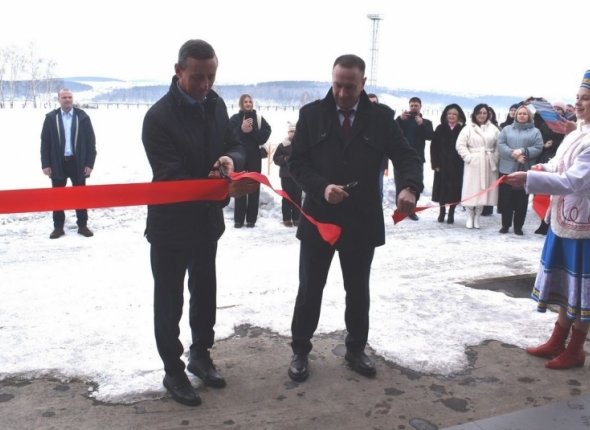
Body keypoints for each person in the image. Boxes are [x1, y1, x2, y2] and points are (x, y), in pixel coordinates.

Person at [286, 54, 423, 382]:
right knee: (309, 289)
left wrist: (410, 187)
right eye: (337, 85)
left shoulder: (381, 118)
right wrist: (322, 188)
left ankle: (356, 348)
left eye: (350, 87)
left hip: (361, 219)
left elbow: (407, 156)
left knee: (358, 291)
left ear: (363, 83)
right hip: (320, 219)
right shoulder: (311, 115)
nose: (343, 93)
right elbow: (296, 164)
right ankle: (300, 350)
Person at [142, 39, 254, 407]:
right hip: (171, 225)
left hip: (206, 222)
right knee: (169, 302)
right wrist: (220, 185)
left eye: (211, 77)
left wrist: (230, 159)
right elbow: (171, 176)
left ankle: (200, 355)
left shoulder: (216, 105)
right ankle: (173, 370)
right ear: (178, 72)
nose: (205, 85)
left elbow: (236, 144)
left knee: (205, 293)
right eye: (197, 77)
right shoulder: (158, 118)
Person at [505, 70, 590, 370]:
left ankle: (576, 349)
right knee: (567, 285)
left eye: (585, 99)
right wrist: (538, 170)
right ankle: (558, 339)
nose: (578, 104)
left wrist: (529, 179)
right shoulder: (578, 133)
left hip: (584, 226)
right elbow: (558, 166)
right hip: (563, 220)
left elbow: (573, 181)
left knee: (582, 290)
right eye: (577, 97)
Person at [40, 89, 97, 239]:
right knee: (57, 196)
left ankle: (82, 225)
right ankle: (58, 227)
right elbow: (45, 142)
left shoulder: (82, 117)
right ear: (58, 99)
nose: (67, 99)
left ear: (73, 99)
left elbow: (91, 142)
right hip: (57, 163)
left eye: (69, 97)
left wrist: (89, 164)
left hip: (78, 163)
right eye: (64, 97)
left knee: (80, 195)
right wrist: (46, 164)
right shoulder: (51, 118)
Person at [497, 105, 543, 235]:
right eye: (519, 113)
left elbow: (538, 147)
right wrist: (514, 154)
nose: (522, 116)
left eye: (524, 114)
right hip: (507, 168)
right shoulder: (506, 129)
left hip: (524, 169)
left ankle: (518, 226)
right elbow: (500, 144)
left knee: (521, 201)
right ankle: (505, 224)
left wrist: (522, 151)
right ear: (515, 115)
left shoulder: (535, 131)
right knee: (506, 199)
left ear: (529, 116)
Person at [229, 94, 272, 228]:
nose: (248, 104)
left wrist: (252, 131)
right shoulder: (235, 119)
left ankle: (251, 219)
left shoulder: (258, 119)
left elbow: (264, 135)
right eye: (245, 102)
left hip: (254, 157)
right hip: (239, 157)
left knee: (254, 186)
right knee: (240, 186)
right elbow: (229, 135)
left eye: (250, 101)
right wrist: (241, 129)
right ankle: (238, 219)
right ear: (241, 104)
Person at [455, 103, 499, 229]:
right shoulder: (468, 128)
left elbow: (498, 145)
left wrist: (495, 158)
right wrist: (469, 157)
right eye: (479, 113)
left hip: (488, 162)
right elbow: (460, 145)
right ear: (475, 114)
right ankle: (469, 216)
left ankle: (477, 217)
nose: (482, 115)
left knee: (483, 191)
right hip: (473, 163)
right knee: (471, 189)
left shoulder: (493, 129)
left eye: (484, 113)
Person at [395, 97, 434, 220]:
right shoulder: (403, 120)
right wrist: (400, 120)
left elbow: (430, 136)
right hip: (400, 157)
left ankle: (411, 210)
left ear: (420, 107)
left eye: (416, 105)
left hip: (417, 158)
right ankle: (399, 209)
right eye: (412, 105)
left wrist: (421, 125)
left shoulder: (426, 122)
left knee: (414, 184)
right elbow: (393, 132)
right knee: (399, 183)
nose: (413, 108)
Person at [534, 100, 568, 235]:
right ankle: (543, 222)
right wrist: (544, 145)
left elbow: (568, 143)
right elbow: (538, 140)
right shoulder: (544, 125)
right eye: (554, 108)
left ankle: (551, 224)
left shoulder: (567, 125)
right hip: (544, 159)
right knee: (541, 194)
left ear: (563, 112)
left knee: (554, 195)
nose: (556, 111)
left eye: (559, 109)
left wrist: (554, 144)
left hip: (559, 161)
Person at [430, 104, 467, 224]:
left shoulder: (463, 129)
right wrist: (435, 164)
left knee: (454, 189)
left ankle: (451, 213)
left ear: (459, 116)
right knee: (442, 189)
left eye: (454, 114)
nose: (451, 116)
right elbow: (434, 147)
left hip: (458, 165)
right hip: (442, 165)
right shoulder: (440, 128)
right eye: (449, 114)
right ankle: (442, 212)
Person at [273, 121, 302, 227]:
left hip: (298, 176)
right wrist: (284, 158)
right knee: (287, 197)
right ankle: (286, 219)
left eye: (294, 131)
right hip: (286, 176)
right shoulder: (282, 145)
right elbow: (275, 159)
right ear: (288, 132)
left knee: (297, 197)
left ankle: (297, 218)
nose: (293, 133)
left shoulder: (301, 144)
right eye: (291, 131)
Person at [367, 93, 390, 203]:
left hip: (379, 162)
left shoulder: (384, 121)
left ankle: (378, 210)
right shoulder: (357, 120)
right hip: (361, 162)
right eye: (369, 103)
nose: (372, 105)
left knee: (378, 189)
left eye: (375, 103)